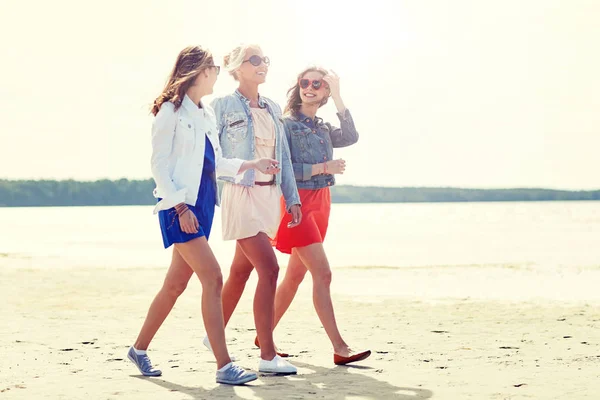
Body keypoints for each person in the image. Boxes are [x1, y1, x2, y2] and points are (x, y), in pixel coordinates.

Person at [128, 45, 276, 385]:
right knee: (213, 277)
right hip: (179, 208)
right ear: (199, 71)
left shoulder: (205, 114)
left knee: (175, 285)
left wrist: (250, 164)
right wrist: (180, 207)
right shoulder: (171, 110)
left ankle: (138, 349)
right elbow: (159, 165)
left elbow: (217, 163)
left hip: (205, 206)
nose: (217, 75)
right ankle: (224, 365)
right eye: (214, 69)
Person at [207, 44, 301, 374]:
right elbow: (213, 160)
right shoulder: (221, 106)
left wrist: (292, 198)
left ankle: (212, 332)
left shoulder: (274, 107)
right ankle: (267, 356)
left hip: (267, 196)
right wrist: (248, 165)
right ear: (236, 68)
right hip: (240, 194)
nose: (263, 65)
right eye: (256, 60)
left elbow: (285, 158)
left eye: (266, 60)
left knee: (241, 271)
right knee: (270, 269)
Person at [270, 67, 370, 365]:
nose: (310, 87)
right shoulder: (285, 124)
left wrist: (339, 95)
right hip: (296, 203)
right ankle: (340, 347)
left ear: (324, 92)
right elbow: (282, 169)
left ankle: (264, 335)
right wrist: (323, 168)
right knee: (322, 274)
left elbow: (351, 136)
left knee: (294, 277)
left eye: (318, 84)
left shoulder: (323, 127)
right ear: (298, 87)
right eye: (305, 82)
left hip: (322, 202)